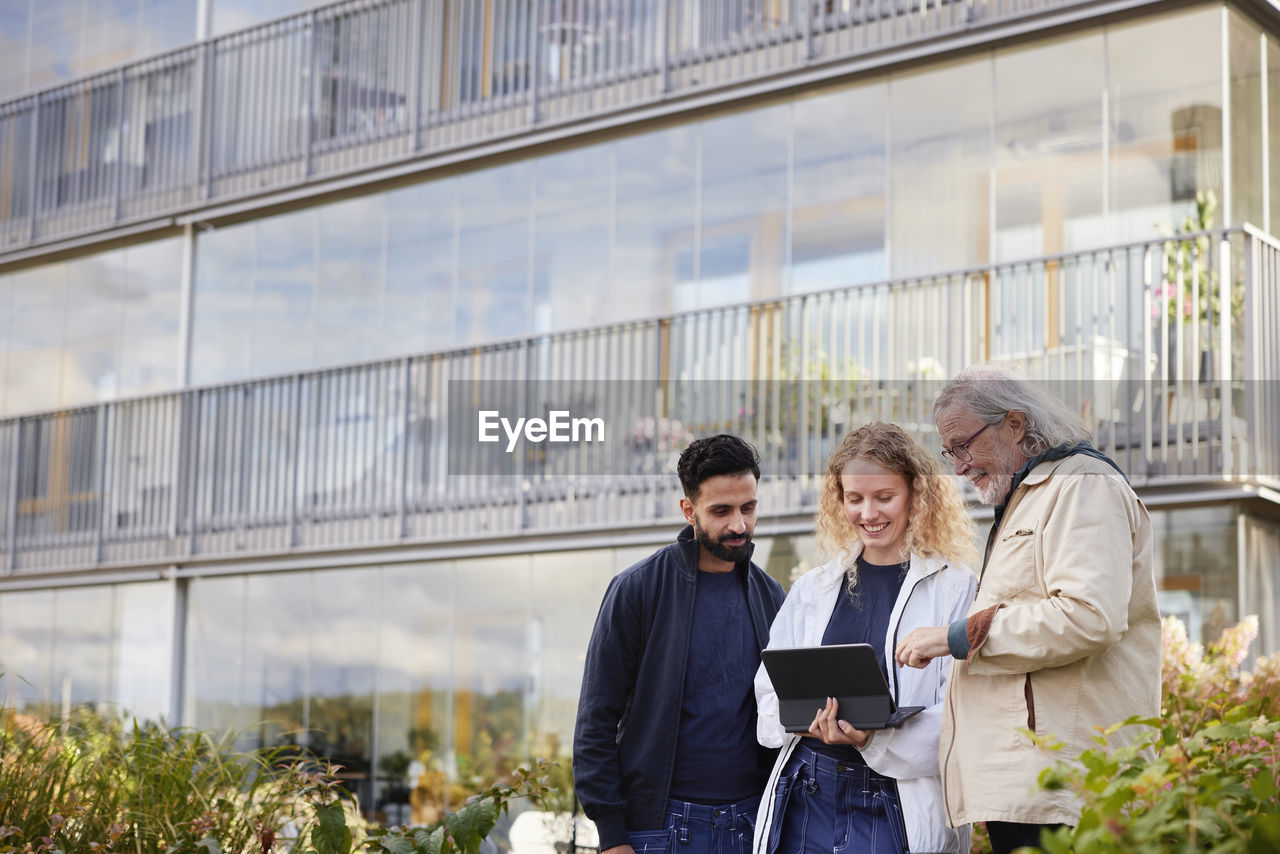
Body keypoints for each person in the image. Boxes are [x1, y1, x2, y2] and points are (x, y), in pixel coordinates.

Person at [895, 364, 1161, 854]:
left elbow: (1087, 617)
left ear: (1015, 424)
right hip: (1033, 785)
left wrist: (954, 637)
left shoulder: (1084, 483)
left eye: (964, 445)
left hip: (1067, 788)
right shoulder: (1032, 495)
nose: (958, 466)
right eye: (949, 451)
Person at [753, 422, 978, 854]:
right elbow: (769, 688)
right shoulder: (814, 588)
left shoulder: (957, 589)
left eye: (884, 497)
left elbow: (962, 715)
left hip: (894, 800)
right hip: (808, 792)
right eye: (854, 499)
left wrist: (874, 739)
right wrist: (805, 721)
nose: (868, 514)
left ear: (916, 493)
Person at [573, 434, 787, 854]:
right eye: (721, 511)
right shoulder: (636, 590)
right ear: (689, 510)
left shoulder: (773, 597)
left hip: (750, 826)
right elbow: (595, 721)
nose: (739, 525)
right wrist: (613, 837)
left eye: (749, 508)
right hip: (657, 829)